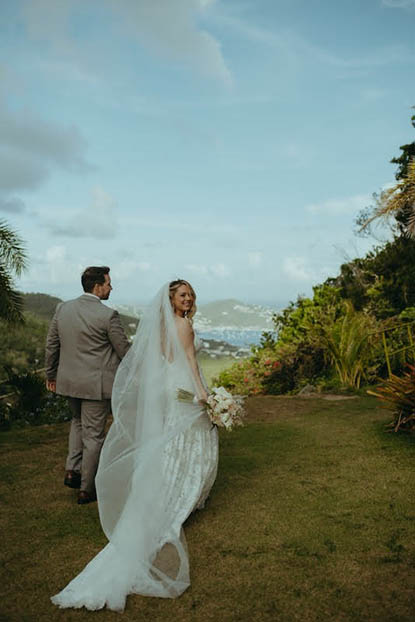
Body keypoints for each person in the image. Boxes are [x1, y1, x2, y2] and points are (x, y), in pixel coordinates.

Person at [51, 279, 218, 611]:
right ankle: (184, 494)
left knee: (172, 440)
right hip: (184, 388)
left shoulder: (163, 325)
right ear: (171, 299)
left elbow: (161, 359)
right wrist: (205, 395)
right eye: (183, 295)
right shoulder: (183, 325)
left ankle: (174, 488)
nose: (188, 299)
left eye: (190, 295)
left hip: (169, 389)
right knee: (195, 439)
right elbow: (189, 361)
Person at [45, 266, 130, 504]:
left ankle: (72, 469)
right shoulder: (108, 315)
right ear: (97, 286)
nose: (111, 287)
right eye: (108, 283)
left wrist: (51, 374)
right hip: (95, 386)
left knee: (77, 423)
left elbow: (51, 345)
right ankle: (86, 488)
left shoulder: (63, 309)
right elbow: (124, 351)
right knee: (93, 436)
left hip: (69, 381)